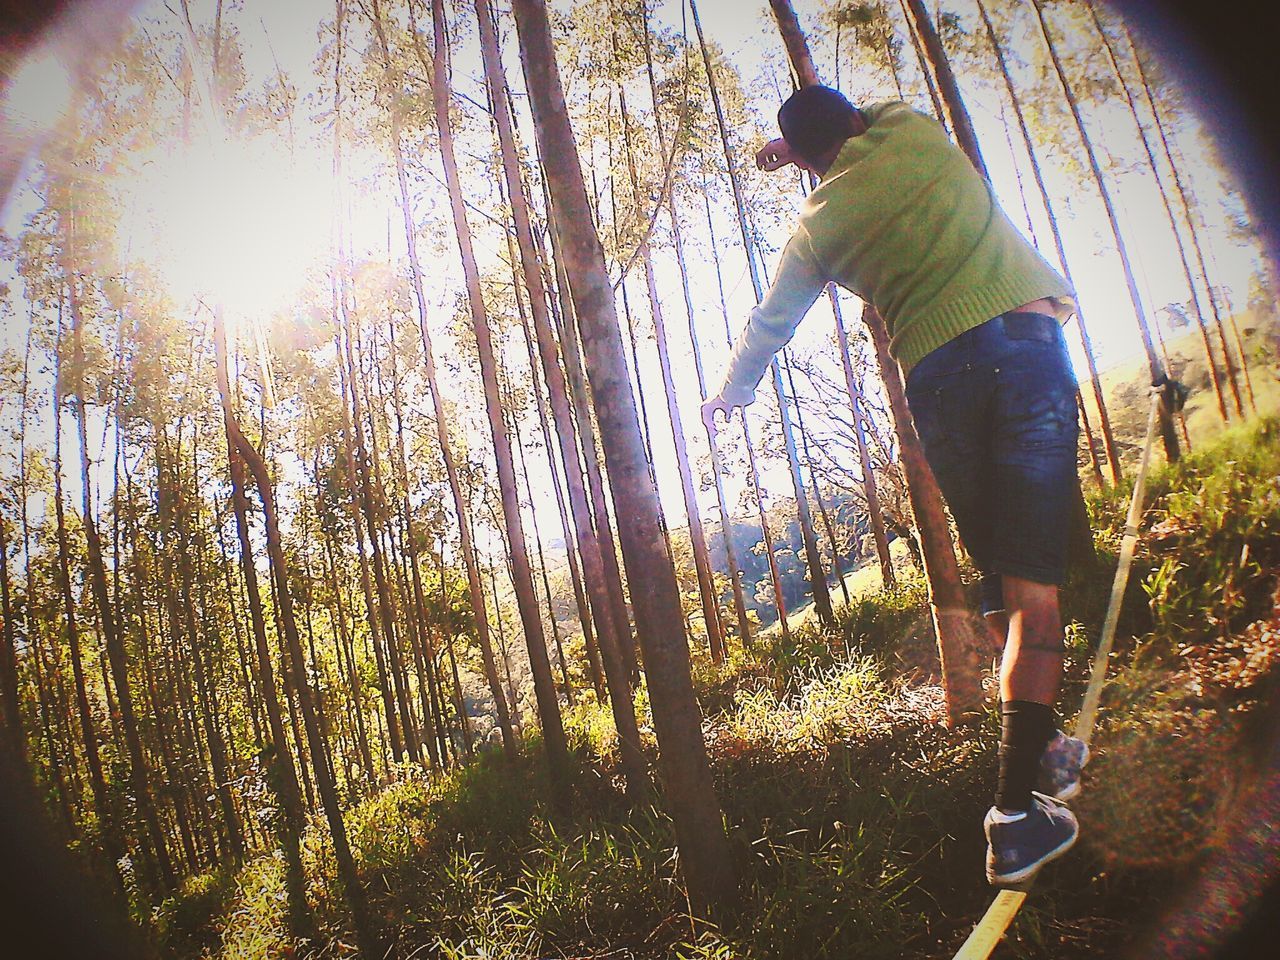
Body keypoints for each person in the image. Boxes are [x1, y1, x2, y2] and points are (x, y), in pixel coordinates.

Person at [700, 85, 1090, 887]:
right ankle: (1016, 816)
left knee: (1004, 580)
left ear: (807, 161)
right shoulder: (910, 131)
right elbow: (866, 113)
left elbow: (771, 321)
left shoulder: (815, 225)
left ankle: (1042, 748)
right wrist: (797, 149)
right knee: (1037, 589)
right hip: (1022, 345)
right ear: (850, 123)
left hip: (939, 382)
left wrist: (732, 393)